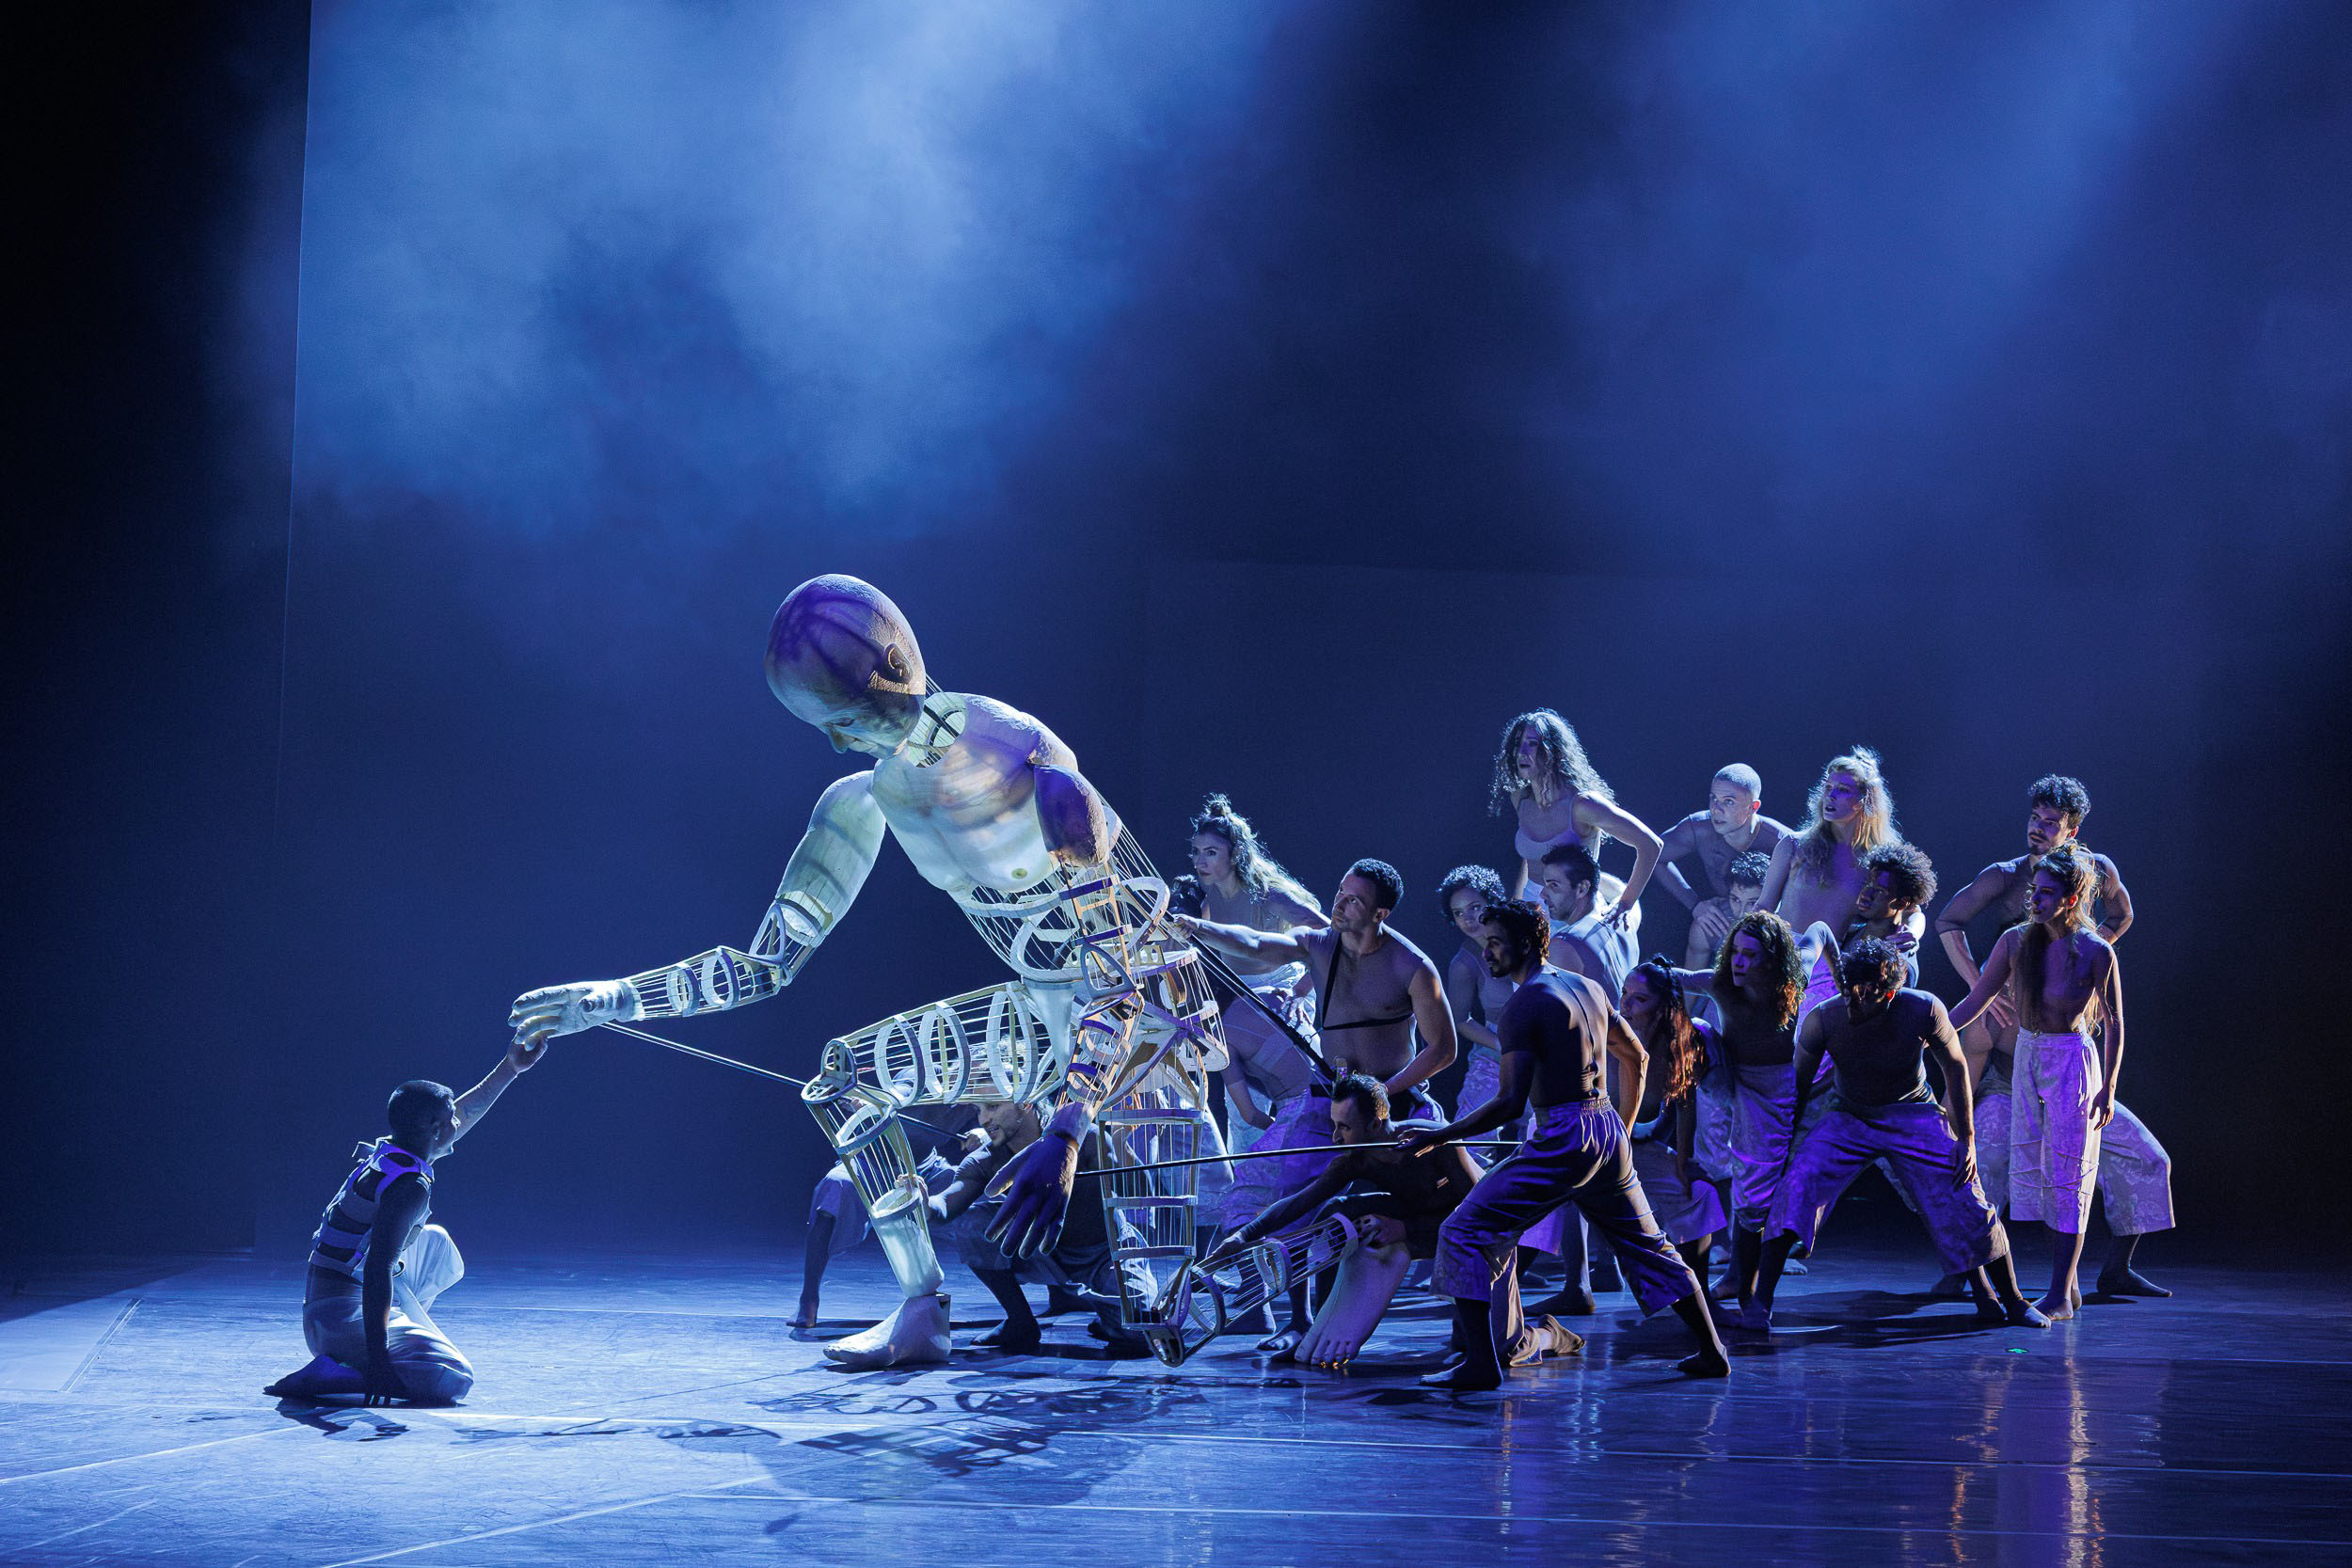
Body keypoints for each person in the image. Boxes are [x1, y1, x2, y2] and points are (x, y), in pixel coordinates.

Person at [1411, 900, 1730, 1388]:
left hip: (1564, 1133)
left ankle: (1480, 1365)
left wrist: (1442, 1135)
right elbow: (1637, 1058)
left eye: (1495, 942)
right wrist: (1618, 1129)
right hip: (1602, 1126)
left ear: (1524, 943)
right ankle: (1712, 1351)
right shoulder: (1587, 987)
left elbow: (1510, 1103)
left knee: (1462, 1231)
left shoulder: (1523, 1005)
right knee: (1651, 1247)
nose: (1488, 951)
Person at [1175, 857, 1457, 1352]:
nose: (1340, 906)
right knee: (1294, 1196)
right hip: (1328, 1098)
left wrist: (1384, 1096)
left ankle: (1465, 1315)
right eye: (1340, 895)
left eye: (1354, 901)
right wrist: (1199, 928)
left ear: (1380, 914)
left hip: (1394, 1103)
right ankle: (1300, 1319)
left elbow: (1443, 1049)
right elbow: (1260, 945)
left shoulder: (1411, 966)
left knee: (1444, 1199)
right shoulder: (1320, 946)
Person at [1933, 774, 2169, 1297]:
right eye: (2033, 819)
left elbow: (2122, 921)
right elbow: (1959, 966)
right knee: (1994, 1160)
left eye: (2049, 822)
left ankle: (2096, 1275)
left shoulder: (2092, 943)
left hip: (2073, 1068)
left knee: (2134, 1161)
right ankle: (1970, 1271)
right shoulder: (2014, 924)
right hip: (2016, 1073)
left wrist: (2084, 959)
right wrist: (1941, 1019)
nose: (2036, 830)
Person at [1745, 939, 2050, 1330]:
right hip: (1851, 1116)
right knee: (1799, 1184)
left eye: (1865, 994)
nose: (1853, 1002)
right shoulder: (1824, 1018)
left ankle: (2013, 1301)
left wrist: (1967, 1141)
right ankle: (1760, 1303)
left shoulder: (1922, 1009)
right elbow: (1799, 1087)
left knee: (1965, 1195)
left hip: (1913, 1113)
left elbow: (1956, 1068)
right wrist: (1787, 1149)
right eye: (1848, 990)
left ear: (1889, 992)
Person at [1200, 1073, 1581, 1370]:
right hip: (1430, 1227)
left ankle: (1551, 1334)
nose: (1335, 1137)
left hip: (1481, 1238)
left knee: (1499, 1350)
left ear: (1377, 1123)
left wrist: (1406, 1231)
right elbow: (1300, 1202)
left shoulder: (1435, 1142)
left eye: (1345, 1127)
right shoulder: (1355, 1157)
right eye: (1334, 1126)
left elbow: (1476, 1220)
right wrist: (1243, 1236)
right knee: (1338, 1210)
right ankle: (1320, 1324)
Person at [263, 1037, 546, 1405]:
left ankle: (376, 1347)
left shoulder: (395, 1150)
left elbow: (463, 1112)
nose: (457, 1123)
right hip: (336, 1314)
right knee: (453, 1376)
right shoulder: (409, 1186)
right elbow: (378, 1270)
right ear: (431, 1127)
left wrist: (511, 1068)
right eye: (449, 1120)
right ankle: (352, 1367)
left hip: (334, 1294)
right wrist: (379, 1362)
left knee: (437, 1244)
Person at [1947, 847, 2124, 1322]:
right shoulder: (2014, 941)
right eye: (2034, 891)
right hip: (2028, 1052)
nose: (2036, 899)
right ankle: (2064, 1286)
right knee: (2040, 1172)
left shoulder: (2094, 950)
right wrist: (1930, 1030)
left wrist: (2108, 1088)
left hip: (2071, 1060)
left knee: (2070, 1173)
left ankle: (2061, 1293)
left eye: (2046, 893)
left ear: (2070, 899)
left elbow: (2115, 1023)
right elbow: (1978, 999)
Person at [1668, 911, 1806, 1321]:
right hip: (1731, 1074)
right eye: (1735, 953)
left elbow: (1818, 933)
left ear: (1773, 960)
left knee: (1755, 1191)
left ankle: (1746, 1289)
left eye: (1750, 955)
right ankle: (1663, 1121)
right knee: (1694, 1027)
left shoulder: (1797, 983)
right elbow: (1675, 976)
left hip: (1777, 1087)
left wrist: (1836, 976)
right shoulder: (1720, 984)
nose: (1738, 963)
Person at [930, 1101, 1117, 1354]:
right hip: (1039, 1250)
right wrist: (924, 1202)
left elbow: (1136, 1187)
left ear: (1025, 1104)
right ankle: (1020, 1321)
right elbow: (946, 1204)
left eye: (993, 1107)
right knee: (972, 1224)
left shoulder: (1086, 1138)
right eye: (978, 1111)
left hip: (1102, 1255)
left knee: (1138, 1336)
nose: (983, 1119)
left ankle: (1108, 1315)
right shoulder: (985, 1158)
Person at [797, 1107, 980, 1330]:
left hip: (925, 1169)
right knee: (834, 1187)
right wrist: (860, 1102)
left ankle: (1018, 1304)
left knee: (982, 1200)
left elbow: (990, 1113)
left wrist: (981, 1132)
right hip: (868, 1166)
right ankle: (809, 1297)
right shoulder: (904, 1078)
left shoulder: (967, 1084)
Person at [1488, 709, 1662, 926]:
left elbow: (1651, 844)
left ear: (1554, 750)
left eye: (1532, 744)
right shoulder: (1521, 799)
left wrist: (1625, 904)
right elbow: (1530, 857)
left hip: (1574, 914)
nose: (1522, 752)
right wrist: (1516, 902)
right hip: (1533, 913)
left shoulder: (1583, 805)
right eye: (1517, 745)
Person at [1616, 958, 1728, 1291]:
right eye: (1625, 993)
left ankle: (1699, 1296)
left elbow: (1685, 1104)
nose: (1626, 1003)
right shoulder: (1609, 1035)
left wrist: (1683, 1164)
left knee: (1698, 1194)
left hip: (1634, 1149)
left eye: (1639, 998)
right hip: (1594, 1146)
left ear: (1663, 1006)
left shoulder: (1681, 1044)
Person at [1758, 748, 1902, 947]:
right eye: (1828, 787)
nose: (1830, 795)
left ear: (1864, 800)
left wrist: (1911, 932)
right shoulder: (1794, 845)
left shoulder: (1878, 861)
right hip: (1781, 956)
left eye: (1843, 789)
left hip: (1832, 967)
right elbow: (1763, 907)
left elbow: (1911, 910)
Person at [1438, 864, 1522, 1136]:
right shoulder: (1463, 962)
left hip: (1544, 1046)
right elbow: (1460, 1019)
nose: (1468, 919)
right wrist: (1502, 1045)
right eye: (1459, 913)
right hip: (1496, 1052)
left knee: (1545, 1140)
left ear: (1493, 901)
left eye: (1475, 907)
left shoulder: (1526, 936)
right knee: (1470, 1141)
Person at [1655, 765, 1792, 915]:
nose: (1716, 809)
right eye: (1713, 798)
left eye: (1729, 801)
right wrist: (1694, 905)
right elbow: (1653, 855)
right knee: (1702, 929)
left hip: (1772, 921)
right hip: (1724, 915)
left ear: (1753, 807)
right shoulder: (1697, 828)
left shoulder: (1783, 841)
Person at [1686, 850, 1771, 971]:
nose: (1742, 913)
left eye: (1752, 903)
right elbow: (1690, 984)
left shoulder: (1785, 925)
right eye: (1735, 900)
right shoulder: (1708, 928)